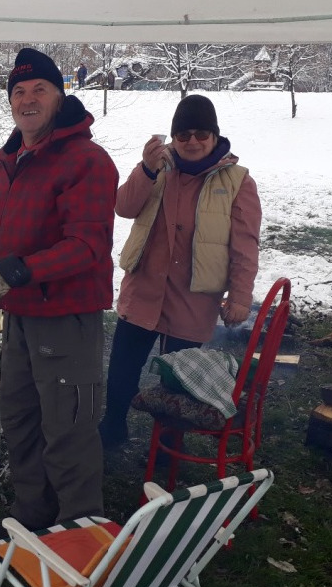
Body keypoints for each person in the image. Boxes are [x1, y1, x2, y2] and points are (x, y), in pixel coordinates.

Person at [0, 48, 118, 541]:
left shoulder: (87, 161)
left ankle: (78, 532)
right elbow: (13, 233)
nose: (27, 99)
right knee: (20, 419)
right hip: (19, 315)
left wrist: (13, 271)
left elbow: (87, 245)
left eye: (39, 90)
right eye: (18, 92)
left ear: (60, 96)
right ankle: (33, 513)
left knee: (68, 430)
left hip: (66, 317)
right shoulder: (14, 159)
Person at [97, 94, 261, 450]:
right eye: (183, 134)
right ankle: (113, 428)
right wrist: (144, 168)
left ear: (215, 136)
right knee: (123, 367)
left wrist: (241, 296)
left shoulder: (237, 182)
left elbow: (245, 246)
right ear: (173, 137)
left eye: (201, 133)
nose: (192, 142)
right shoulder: (157, 168)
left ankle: (168, 449)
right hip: (144, 289)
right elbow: (124, 207)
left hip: (193, 298)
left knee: (179, 381)